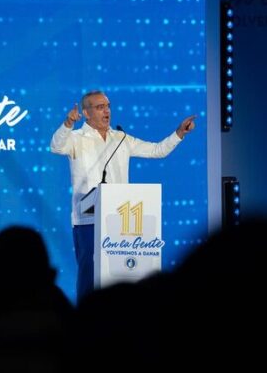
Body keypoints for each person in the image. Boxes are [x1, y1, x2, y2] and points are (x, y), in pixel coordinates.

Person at [50, 90, 195, 301]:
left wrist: (179, 133)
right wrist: (68, 123)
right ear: (86, 113)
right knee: (89, 273)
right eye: (100, 107)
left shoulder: (121, 138)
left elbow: (157, 150)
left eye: (108, 106)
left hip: (119, 220)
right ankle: (85, 316)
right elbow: (56, 146)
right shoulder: (76, 138)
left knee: (119, 275)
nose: (106, 111)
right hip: (88, 219)